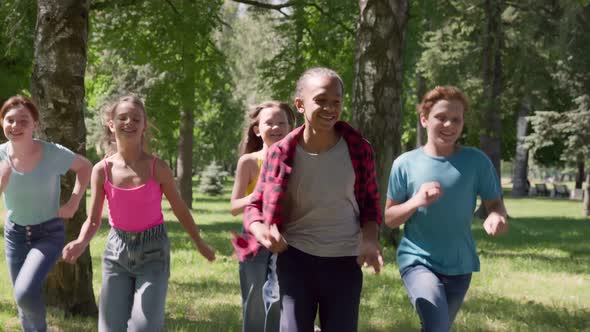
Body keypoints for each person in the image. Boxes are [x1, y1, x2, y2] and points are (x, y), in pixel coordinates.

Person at [241, 67, 383, 332]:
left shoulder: (358, 149)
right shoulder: (281, 153)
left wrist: (371, 239)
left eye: (336, 102)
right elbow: (254, 206)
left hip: (344, 261)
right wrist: (261, 230)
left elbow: (371, 205)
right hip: (296, 259)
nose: (329, 108)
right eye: (320, 100)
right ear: (300, 104)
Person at [61, 95, 216, 332]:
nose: (129, 122)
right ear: (111, 124)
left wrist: (200, 243)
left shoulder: (158, 168)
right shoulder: (102, 170)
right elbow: (93, 219)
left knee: (145, 327)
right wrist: (81, 242)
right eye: (122, 118)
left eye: (136, 118)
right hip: (117, 253)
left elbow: (180, 209)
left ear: (144, 125)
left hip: (153, 252)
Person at [384, 86, 508, 332]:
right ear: (424, 119)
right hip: (417, 260)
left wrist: (496, 216)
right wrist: (416, 200)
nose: (449, 125)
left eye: (456, 119)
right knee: (436, 325)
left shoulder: (476, 162)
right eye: (441, 117)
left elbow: (495, 204)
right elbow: (389, 218)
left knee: (436, 328)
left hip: (460, 265)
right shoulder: (405, 164)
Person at [0, 95, 92, 332]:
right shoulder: (0, 156)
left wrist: (73, 203)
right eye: (10, 120)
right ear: (2, 123)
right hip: (15, 235)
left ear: (35, 125)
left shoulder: (52, 153)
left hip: (47, 234)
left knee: (24, 292)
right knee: (23, 301)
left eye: (23, 120)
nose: (16, 126)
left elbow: (85, 167)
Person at [230, 101, 295, 332]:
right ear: (257, 129)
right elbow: (234, 206)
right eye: (269, 122)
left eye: (282, 123)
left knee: (281, 297)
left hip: (285, 237)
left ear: (291, 128)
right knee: (254, 297)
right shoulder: (248, 162)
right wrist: (260, 195)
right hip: (253, 237)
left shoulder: (296, 160)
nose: (276, 127)